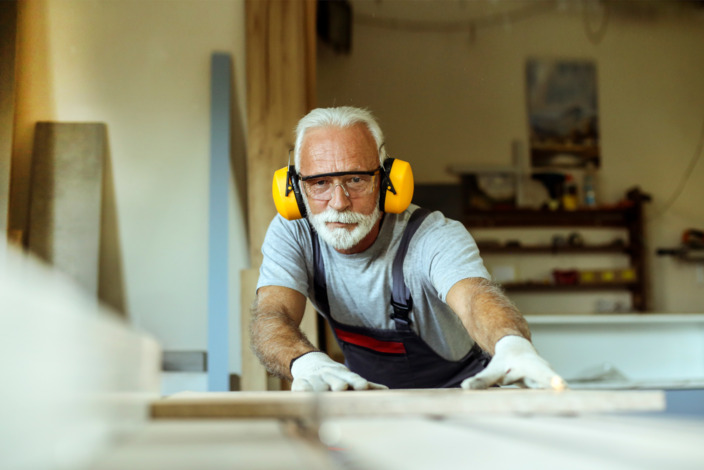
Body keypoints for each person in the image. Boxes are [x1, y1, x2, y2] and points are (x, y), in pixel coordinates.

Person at [251, 106, 566, 392]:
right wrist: (306, 362)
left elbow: (474, 298)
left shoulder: (432, 236)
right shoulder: (294, 233)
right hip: (369, 397)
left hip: (462, 393)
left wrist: (511, 344)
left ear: (387, 181)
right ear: (294, 189)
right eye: (320, 183)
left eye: (357, 180)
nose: (339, 202)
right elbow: (272, 315)